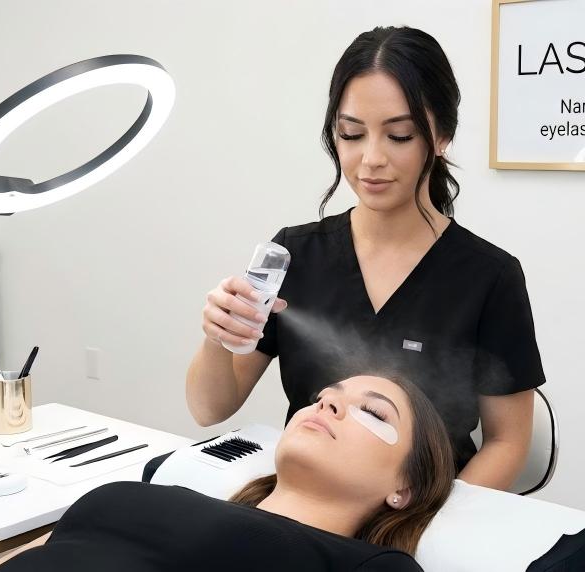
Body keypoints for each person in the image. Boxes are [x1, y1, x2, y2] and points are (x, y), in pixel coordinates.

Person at [187, 26, 546, 490]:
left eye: (399, 135)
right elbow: (209, 409)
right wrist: (217, 337)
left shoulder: (488, 277)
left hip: (420, 509)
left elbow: (507, 442)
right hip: (305, 500)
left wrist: (427, 523)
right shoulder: (297, 254)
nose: (371, 158)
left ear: (441, 136)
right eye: (351, 134)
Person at [0, 375, 454, 572]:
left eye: (373, 412)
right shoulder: (158, 494)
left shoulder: (366, 565)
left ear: (403, 488)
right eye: (325, 396)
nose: (327, 404)